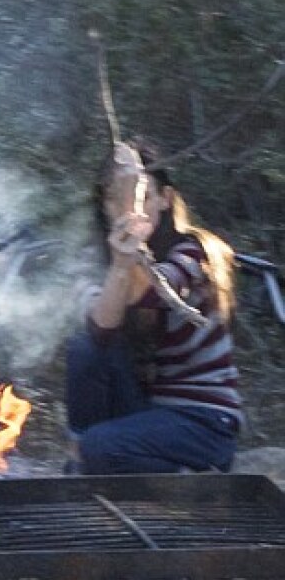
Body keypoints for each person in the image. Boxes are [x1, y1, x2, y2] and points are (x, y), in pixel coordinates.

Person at [64, 141, 242, 474]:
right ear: (103, 205)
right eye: (116, 198)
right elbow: (101, 330)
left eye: (142, 197)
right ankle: (87, 459)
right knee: (85, 349)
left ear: (166, 198)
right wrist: (119, 265)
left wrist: (131, 257)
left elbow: (155, 292)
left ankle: (189, 478)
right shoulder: (94, 261)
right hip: (147, 414)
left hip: (202, 421)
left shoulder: (195, 250)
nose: (130, 210)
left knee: (99, 447)